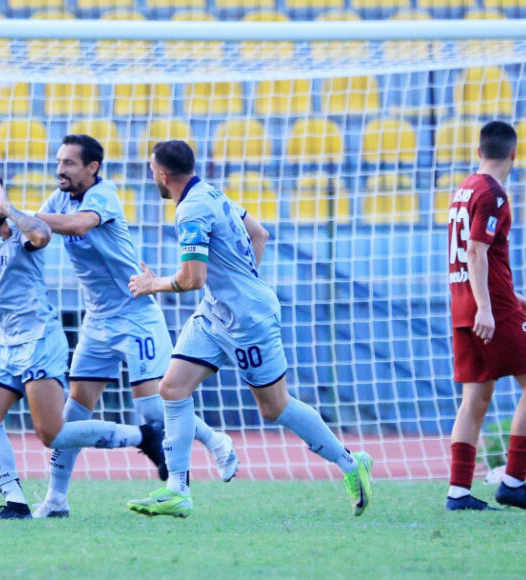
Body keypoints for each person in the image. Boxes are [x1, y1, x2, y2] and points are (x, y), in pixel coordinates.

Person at [125, 140, 373, 519]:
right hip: (216, 313)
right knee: (172, 388)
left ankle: (352, 464)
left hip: (248, 321)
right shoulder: (210, 192)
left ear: (162, 174)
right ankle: (177, 490)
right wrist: (239, 283)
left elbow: (193, 278)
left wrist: (152, 284)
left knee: (274, 406)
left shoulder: (190, 210)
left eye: (150, 170)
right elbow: (260, 234)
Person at [0, 171, 167, 520]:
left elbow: (42, 235)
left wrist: (10, 211)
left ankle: (143, 437)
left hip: (39, 340)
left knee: (52, 434)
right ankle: (15, 503)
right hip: (5, 344)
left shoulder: (19, 229)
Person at [32, 135, 238, 519]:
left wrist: (20, 213)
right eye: (58, 162)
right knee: (73, 416)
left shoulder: (104, 195)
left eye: (69, 163)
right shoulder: (57, 199)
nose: (60, 169)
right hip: (97, 322)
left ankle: (215, 440)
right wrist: (6, 222)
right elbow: (39, 232)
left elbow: (78, 226)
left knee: (154, 411)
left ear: (92, 167)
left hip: (136, 315)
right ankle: (56, 499)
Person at [444, 120, 526, 511]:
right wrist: (490, 307)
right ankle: (513, 482)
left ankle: (458, 493)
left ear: (479, 151)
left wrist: (509, 292)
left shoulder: (464, 189)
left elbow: (476, 255)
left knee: (475, 397)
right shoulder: (493, 193)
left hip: (463, 302)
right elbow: (476, 251)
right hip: (488, 307)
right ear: (514, 153)